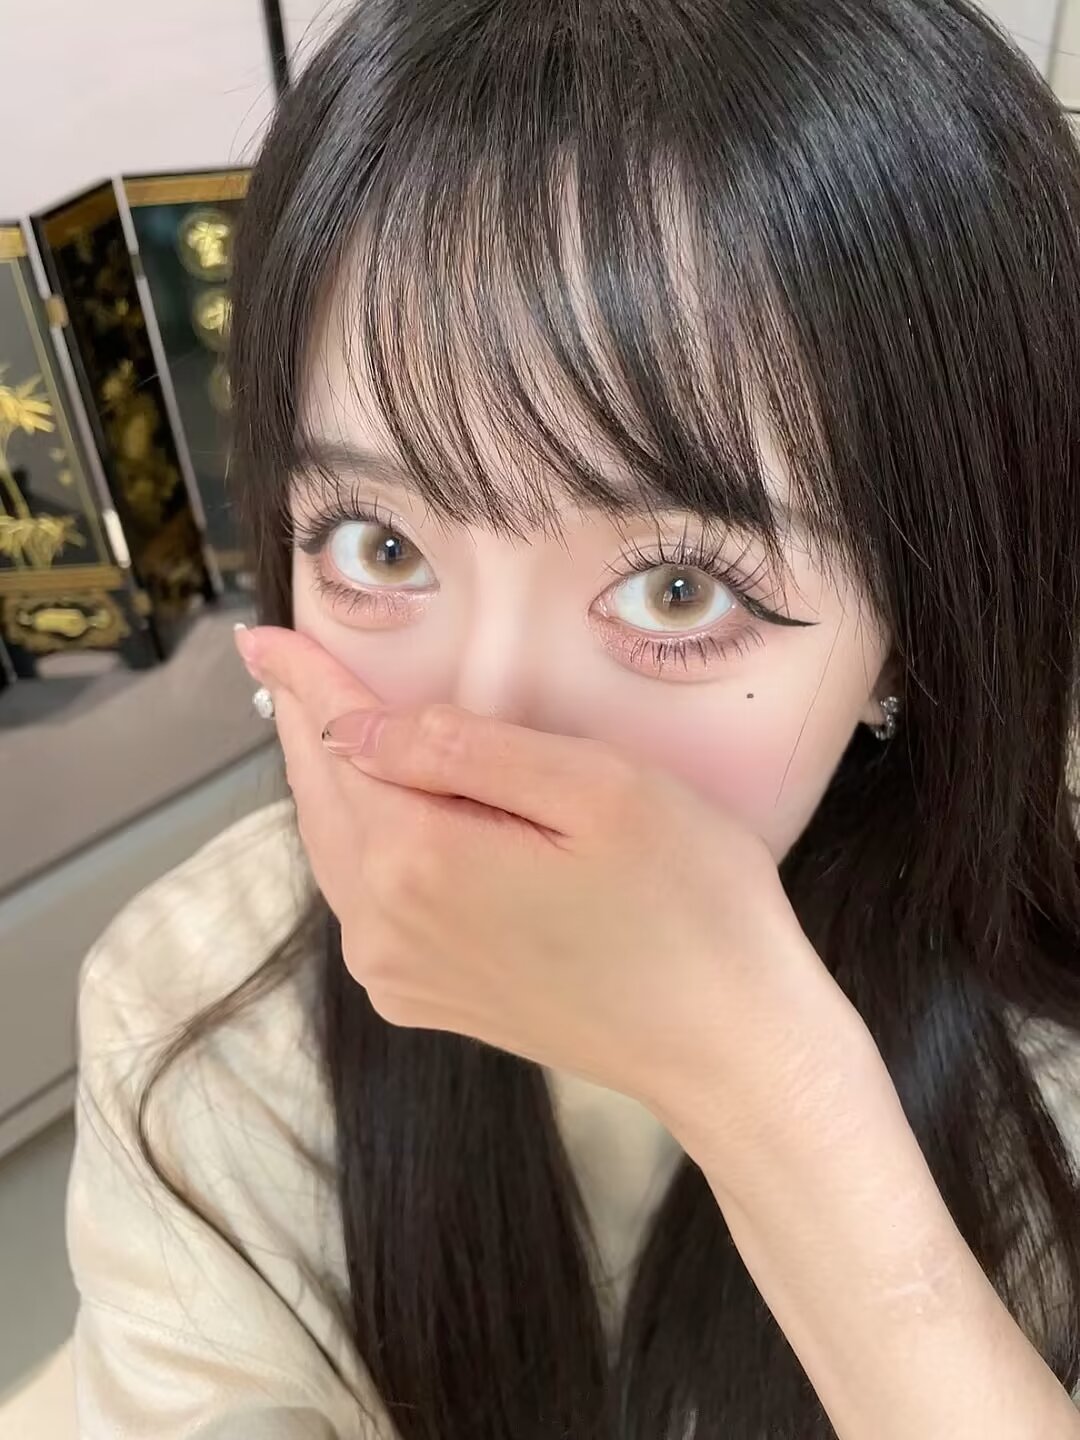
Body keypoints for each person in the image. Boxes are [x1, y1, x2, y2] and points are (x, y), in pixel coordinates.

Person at [67, 0, 1080, 1435]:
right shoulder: (200, 1017)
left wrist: (769, 1100)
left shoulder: (1049, 1083)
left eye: (677, 588)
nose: (479, 732)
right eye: (378, 545)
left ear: (912, 638)